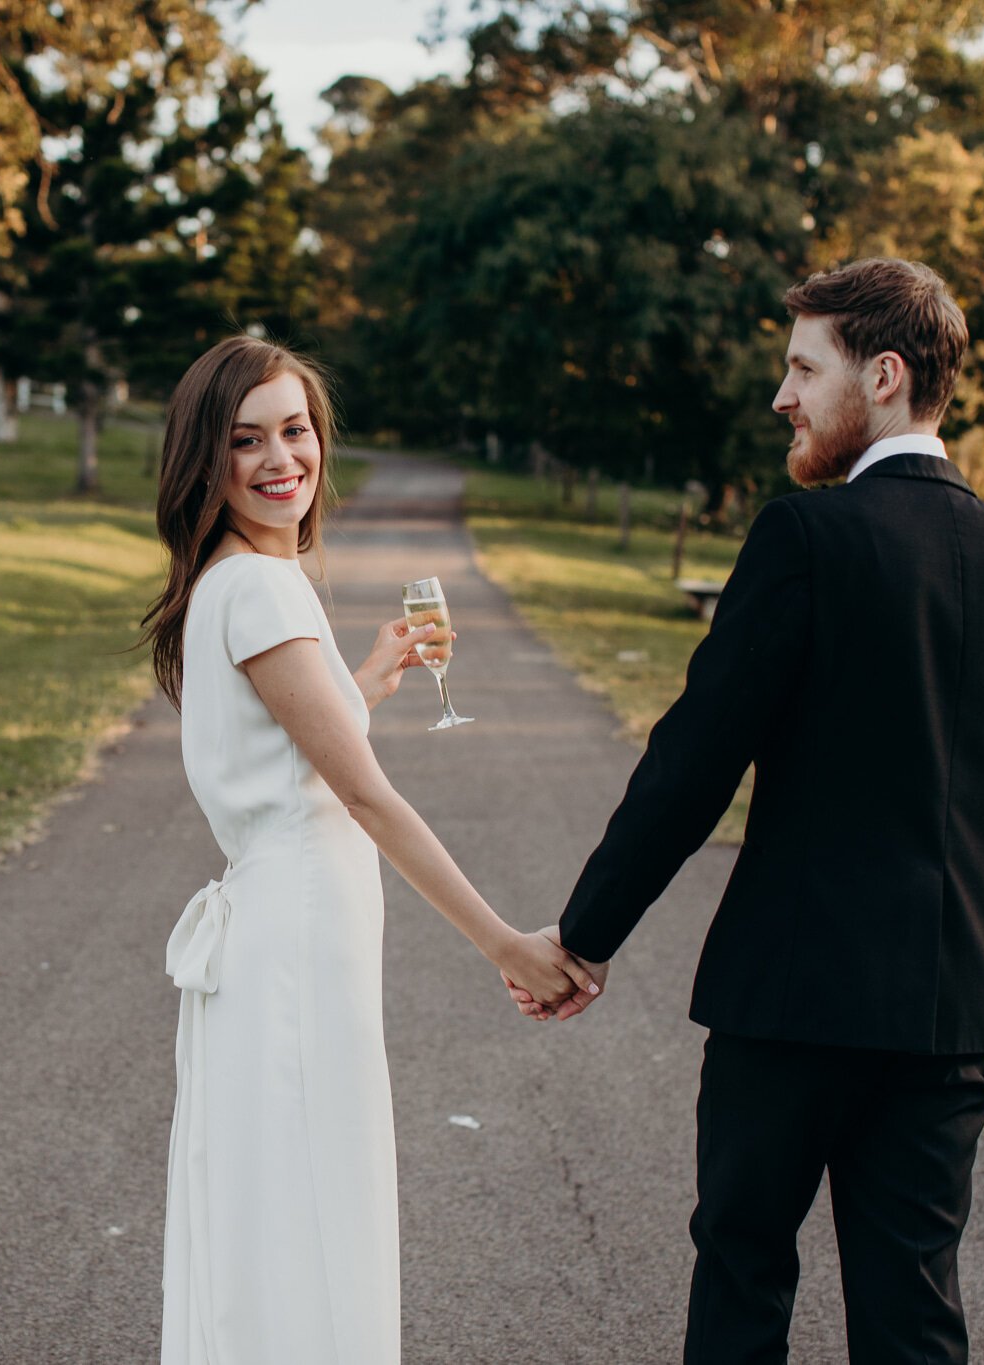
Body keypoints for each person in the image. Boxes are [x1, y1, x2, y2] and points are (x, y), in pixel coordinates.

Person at [511, 258, 984, 1363]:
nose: (780, 397)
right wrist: (957, 921)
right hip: (943, 1017)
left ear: (880, 376)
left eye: (800, 368)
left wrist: (579, 938)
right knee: (912, 1312)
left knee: (743, 1277)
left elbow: (690, 767)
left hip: (785, 1003)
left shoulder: (805, 538)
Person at [140, 335, 597, 1365]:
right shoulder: (260, 589)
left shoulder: (233, 579)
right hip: (295, 942)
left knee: (282, 1208)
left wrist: (364, 680)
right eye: (244, 439)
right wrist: (504, 944)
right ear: (202, 460)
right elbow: (364, 798)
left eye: (293, 431)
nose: (278, 460)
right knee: (311, 1207)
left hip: (279, 932)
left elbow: (283, 759)